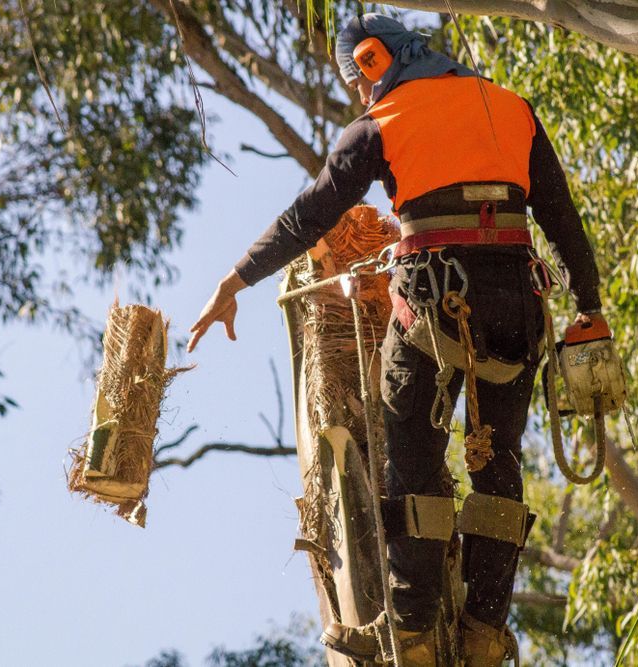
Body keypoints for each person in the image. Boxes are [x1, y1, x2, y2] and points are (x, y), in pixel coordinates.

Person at [187, 13, 604, 667]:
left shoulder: (381, 123)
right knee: (498, 466)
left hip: (436, 298)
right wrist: (591, 308)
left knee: (409, 462)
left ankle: (409, 633)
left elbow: (309, 216)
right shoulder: (511, 107)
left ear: (375, 61)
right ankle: (484, 633)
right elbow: (561, 217)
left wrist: (234, 279)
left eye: (356, 80)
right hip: (517, 305)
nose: (357, 93)